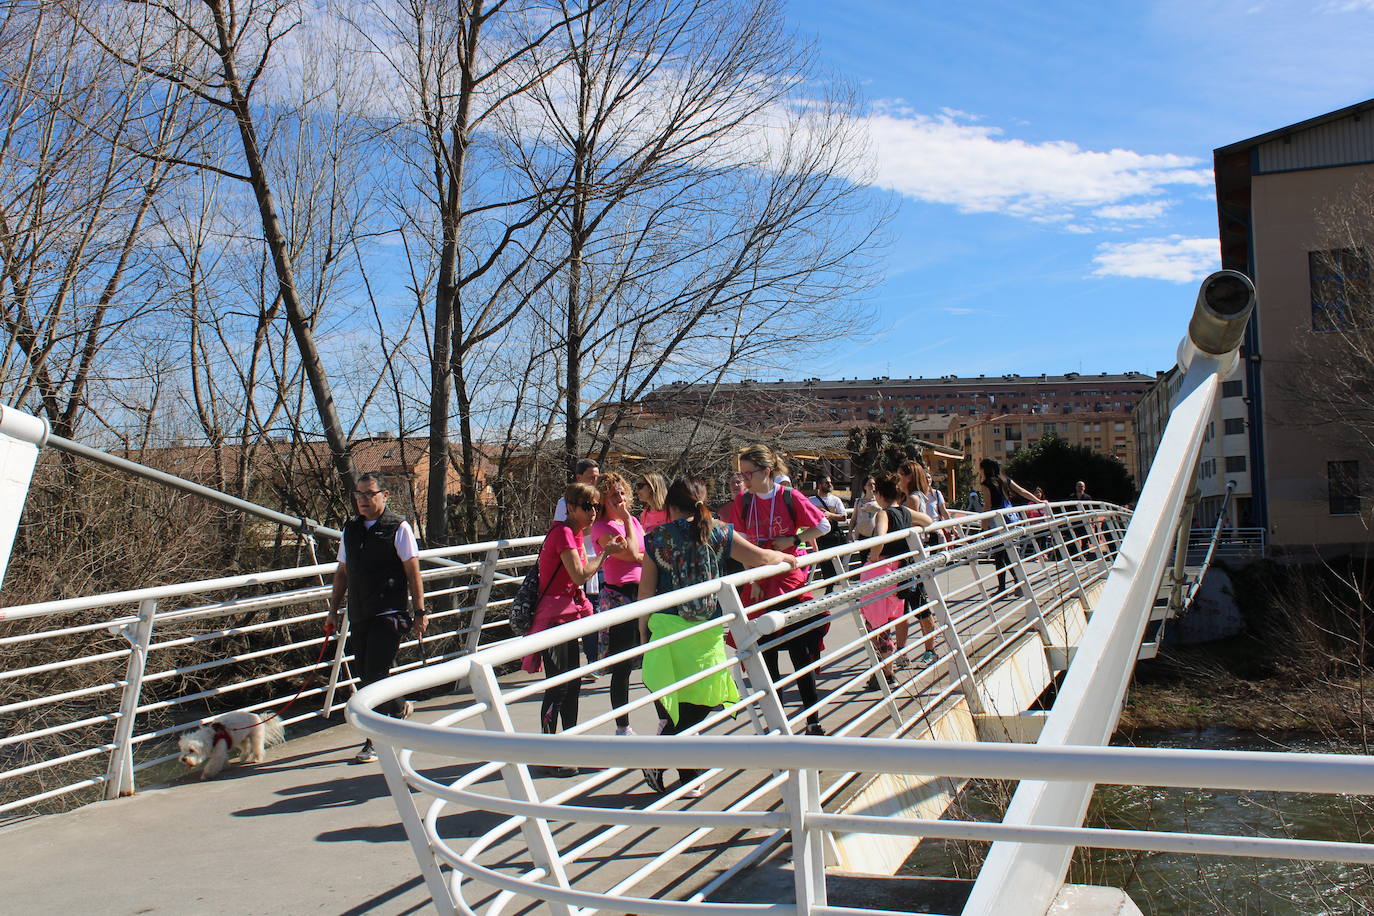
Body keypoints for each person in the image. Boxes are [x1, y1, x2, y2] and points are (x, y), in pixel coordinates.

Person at [638, 477, 795, 794]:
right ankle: (683, 772)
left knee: (686, 698)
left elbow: (645, 591)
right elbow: (759, 558)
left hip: (667, 625)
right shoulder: (721, 532)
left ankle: (670, 763)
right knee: (702, 698)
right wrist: (787, 558)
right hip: (706, 626)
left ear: (670, 506)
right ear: (703, 501)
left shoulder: (657, 538)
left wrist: (642, 631)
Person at [720, 444, 831, 735]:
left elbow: (823, 526)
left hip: (788, 582)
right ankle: (778, 725)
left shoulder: (789, 497)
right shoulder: (744, 502)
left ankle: (813, 721)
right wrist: (754, 579)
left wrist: (794, 539)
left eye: (749, 474)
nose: (744, 480)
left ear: (767, 471)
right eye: (741, 474)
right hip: (758, 586)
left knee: (799, 653)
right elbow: (741, 543)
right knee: (766, 656)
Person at [523, 482, 625, 774]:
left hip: (567, 618)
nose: (593, 512)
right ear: (570, 508)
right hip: (554, 620)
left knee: (573, 684)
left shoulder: (575, 533)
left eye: (595, 506)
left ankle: (569, 746)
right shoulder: (564, 534)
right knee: (559, 687)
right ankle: (551, 750)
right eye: (587, 507)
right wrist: (604, 554)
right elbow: (580, 576)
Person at [325, 472, 427, 765]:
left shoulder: (398, 527)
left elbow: (413, 571)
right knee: (366, 675)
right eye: (359, 495)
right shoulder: (351, 528)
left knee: (374, 676)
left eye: (370, 494)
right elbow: (343, 572)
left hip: (389, 612)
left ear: (385, 495)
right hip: (359, 612)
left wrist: (419, 611)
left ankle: (375, 739)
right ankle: (398, 708)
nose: (363, 500)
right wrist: (333, 610)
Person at [590, 472, 646, 736]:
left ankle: (663, 719)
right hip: (619, 596)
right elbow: (633, 554)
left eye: (623, 493)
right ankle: (622, 727)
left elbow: (649, 554)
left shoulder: (633, 520)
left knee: (652, 657)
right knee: (622, 665)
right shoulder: (602, 528)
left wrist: (629, 526)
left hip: (644, 592)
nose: (621, 498)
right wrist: (625, 522)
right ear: (602, 499)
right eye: (614, 495)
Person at [859, 474, 920, 682]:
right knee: (887, 623)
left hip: (881, 571)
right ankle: (883, 672)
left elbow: (881, 536)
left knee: (875, 624)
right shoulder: (905, 512)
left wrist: (874, 556)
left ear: (880, 494)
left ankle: (886, 673)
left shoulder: (884, 513)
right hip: (900, 570)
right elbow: (928, 520)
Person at [978, 458, 1045, 596]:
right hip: (1010, 518)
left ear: (985, 469)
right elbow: (1022, 491)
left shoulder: (986, 484)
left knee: (999, 555)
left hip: (997, 521)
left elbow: (988, 506)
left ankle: (1006, 586)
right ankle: (1017, 583)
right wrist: (1038, 500)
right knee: (1006, 554)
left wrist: (984, 527)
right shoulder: (1005, 481)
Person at [896, 460, 939, 665]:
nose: (898, 479)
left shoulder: (913, 499)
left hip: (911, 558)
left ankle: (927, 650)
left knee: (916, 604)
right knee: (907, 605)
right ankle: (903, 651)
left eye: (900, 475)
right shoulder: (912, 497)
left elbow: (910, 528)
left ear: (909, 477)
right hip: (912, 558)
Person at [808, 475, 848, 592]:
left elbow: (843, 517)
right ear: (820, 485)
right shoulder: (811, 501)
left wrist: (830, 515)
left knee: (835, 563)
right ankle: (829, 589)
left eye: (830, 482)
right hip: (820, 536)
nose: (829, 484)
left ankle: (830, 588)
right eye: (826, 483)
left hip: (834, 536)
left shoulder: (836, 500)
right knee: (825, 563)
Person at [850, 475, 879, 542]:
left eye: (874, 484)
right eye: (869, 484)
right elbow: (853, 519)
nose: (872, 486)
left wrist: (875, 508)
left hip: (875, 536)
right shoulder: (858, 502)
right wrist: (850, 532)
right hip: (862, 535)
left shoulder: (879, 501)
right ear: (864, 487)